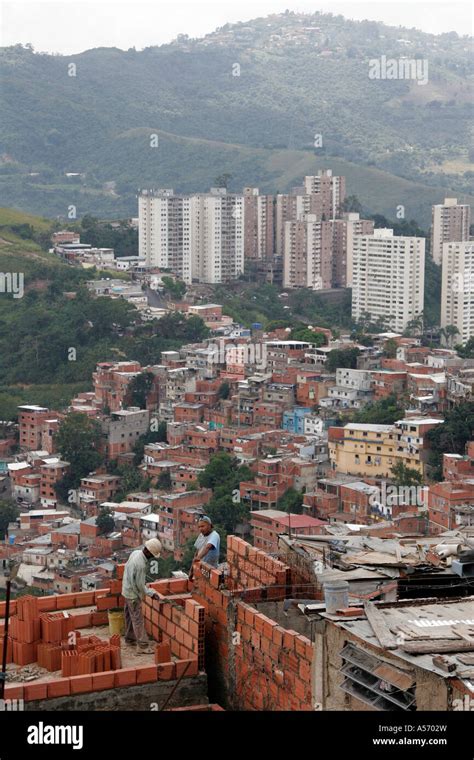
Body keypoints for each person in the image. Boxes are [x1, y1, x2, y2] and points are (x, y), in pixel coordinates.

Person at [122, 538, 162, 652]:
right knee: (137, 619)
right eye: (153, 555)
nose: (152, 558)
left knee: (130, 616)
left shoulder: (135, 553)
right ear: (148, 552)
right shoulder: (140, 565)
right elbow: (140, 586)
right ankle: (143, 645)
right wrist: (151, 593)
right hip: (133, 595)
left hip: (126, 590)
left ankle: (130, 639)